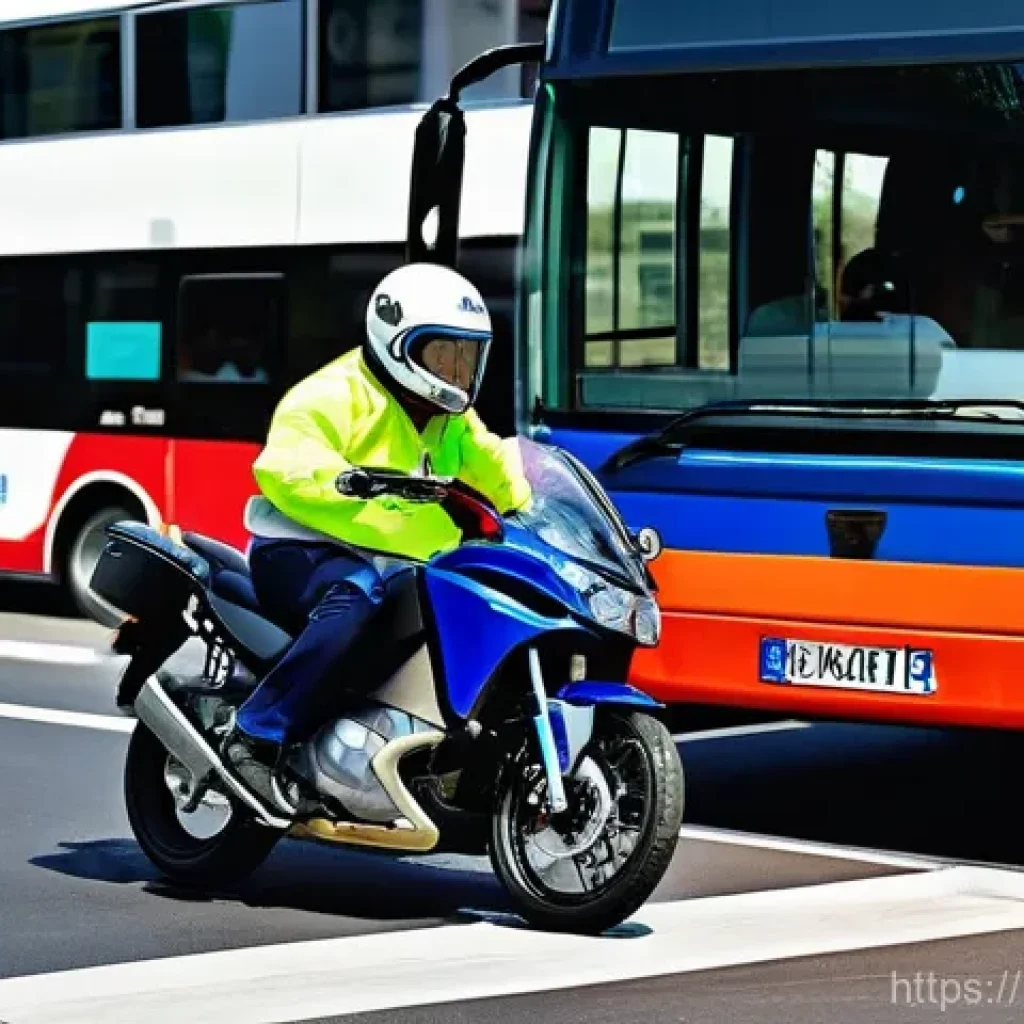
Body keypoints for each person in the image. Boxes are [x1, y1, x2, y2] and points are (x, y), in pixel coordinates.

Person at [221, 263, 532, 815]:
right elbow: (286, 465)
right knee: (359, 593)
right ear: (398, 345)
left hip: (400, 561)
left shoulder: (450, 420)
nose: (458, 371)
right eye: (444, 355)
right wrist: (344, 479)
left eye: (468, 356)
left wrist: (534, 508)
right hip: (303, 548)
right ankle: (257, 732)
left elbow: (498, 469)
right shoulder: (332, 394)